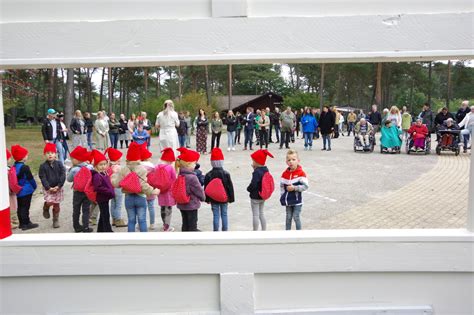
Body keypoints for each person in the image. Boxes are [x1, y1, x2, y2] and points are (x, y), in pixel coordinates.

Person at [111, 142, 159, 232]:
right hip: (140, 197)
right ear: (138, 157)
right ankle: (143, 240)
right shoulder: (142, 169)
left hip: (128, 198)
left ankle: (131, 239)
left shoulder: (123, 169)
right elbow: (143, 185)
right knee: (142, 220)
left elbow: (116, 183)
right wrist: (152, 191)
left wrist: (114, 174)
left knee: (131, 221)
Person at [204, 148, 235, 232]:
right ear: (222, 161)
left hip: (213, 199)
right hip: (224, 198)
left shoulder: (208, 175)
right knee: (224, 214)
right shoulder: (226, 174)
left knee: (215, 215)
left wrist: (207, 199)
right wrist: (231, 198)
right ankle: (225, 230)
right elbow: (230, 187)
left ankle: (215, 231)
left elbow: (206, 188)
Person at [175, 148, 206, 232]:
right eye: (194, 163)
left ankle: (184, 237)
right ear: (188, 164)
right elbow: (198, 190)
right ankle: (192, 240)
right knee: (192, 224)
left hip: (181, 203)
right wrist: (203, 198)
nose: (195, 165)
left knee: (185, 223)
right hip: (191, 204)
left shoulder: (179, 174)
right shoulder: (192, 177)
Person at [280, 149, 309, 230]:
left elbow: (306, 186)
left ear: (298, 161)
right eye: (289, 160)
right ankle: (287, 234)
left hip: (297, 201)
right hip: (288, 201)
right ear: (286, 162)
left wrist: (295, 188)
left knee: (296, 216)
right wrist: (282, 197)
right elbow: (282, 186)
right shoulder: (284, 174)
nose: (291, 162)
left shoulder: (301, 173)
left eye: (293, 159)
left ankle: (299, 234)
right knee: (288, 217)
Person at [11, 145, 38, 231]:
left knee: (20, 207)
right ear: (22, 157)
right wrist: (35, 186)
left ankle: (22, 223)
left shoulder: (14, 167)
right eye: (26, 155)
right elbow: (30, 179)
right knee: (25, 207)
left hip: (18, 191)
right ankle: (26, 224)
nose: (27, 156)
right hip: (26, 191)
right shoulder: (25, 167)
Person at [38, 143, 65, 229]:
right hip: (48, 188)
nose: (50, 154)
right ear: (44, 154)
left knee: (56, 204)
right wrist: (48, 187)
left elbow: (63, 175)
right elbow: (42, 177)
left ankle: (55, 219)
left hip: (58, 187)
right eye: (48, 153)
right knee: (50, 202)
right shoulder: (43, 166)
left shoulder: (59, 164)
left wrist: (59, 186)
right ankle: (46, 206)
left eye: (52, 153)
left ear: (55, 154)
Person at [67, 146, 94, 233]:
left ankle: (76, 226)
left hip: (77, 192)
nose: (71, 160)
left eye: (72, 159)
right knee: (86, 210)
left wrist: (70, 170)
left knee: (76, 209)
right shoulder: (90, 167)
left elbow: (69, 179)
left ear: (77, 159)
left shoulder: (74, 169)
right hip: (87, 192)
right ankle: (86, 227)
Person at [247, 149, 274, 231]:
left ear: (257, 162)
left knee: (255, 215)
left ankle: (255, 231)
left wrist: (248, 189)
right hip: (263, 196)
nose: (252, 162)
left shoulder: (256, 172)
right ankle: (264, 230)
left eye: (253, 161)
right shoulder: (266, 170)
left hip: (255, 197)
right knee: (261, 213)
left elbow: (254, 184)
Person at [90, 150, 115, 232]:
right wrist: (108, 190)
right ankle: (108, 231)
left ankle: (100, 230)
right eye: (100, 164)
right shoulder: (97, 175)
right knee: (105, 214)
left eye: (104, 164)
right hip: (101, 198)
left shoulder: (104, 173)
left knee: (103, 214)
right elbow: (97, 187)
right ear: (96, 166)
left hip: (105, 197)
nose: (103, 166)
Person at [105, 148, 127, 228]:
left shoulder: (108, 167)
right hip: (117, 187)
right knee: (118, 204)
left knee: (113, 203)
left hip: (111, 187)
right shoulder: (118, 167)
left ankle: (113, 219)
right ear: (117, 159)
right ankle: (118, 220)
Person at [157, 148, 177, 232]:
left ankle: (163, 223)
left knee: (162, 208)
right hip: (169, 191)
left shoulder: (157, 167)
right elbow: (174, 179)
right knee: (168, 208)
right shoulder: (170, 168)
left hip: (160, 191)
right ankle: (167, 226)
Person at [140, 147, 157, 230]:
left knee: (142, 207)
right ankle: (152, 223)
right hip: (150, 188)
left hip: (141, 189)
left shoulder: (138, 166)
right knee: (151, 206)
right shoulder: (153, 167)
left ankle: (141, 224)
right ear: (147, 158)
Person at [6, 149, 19, 229]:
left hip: (8, 191)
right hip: (9, 192)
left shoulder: (8, 168)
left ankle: (13, 220)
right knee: (10, 206)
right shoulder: (7, 170)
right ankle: (10, 222)